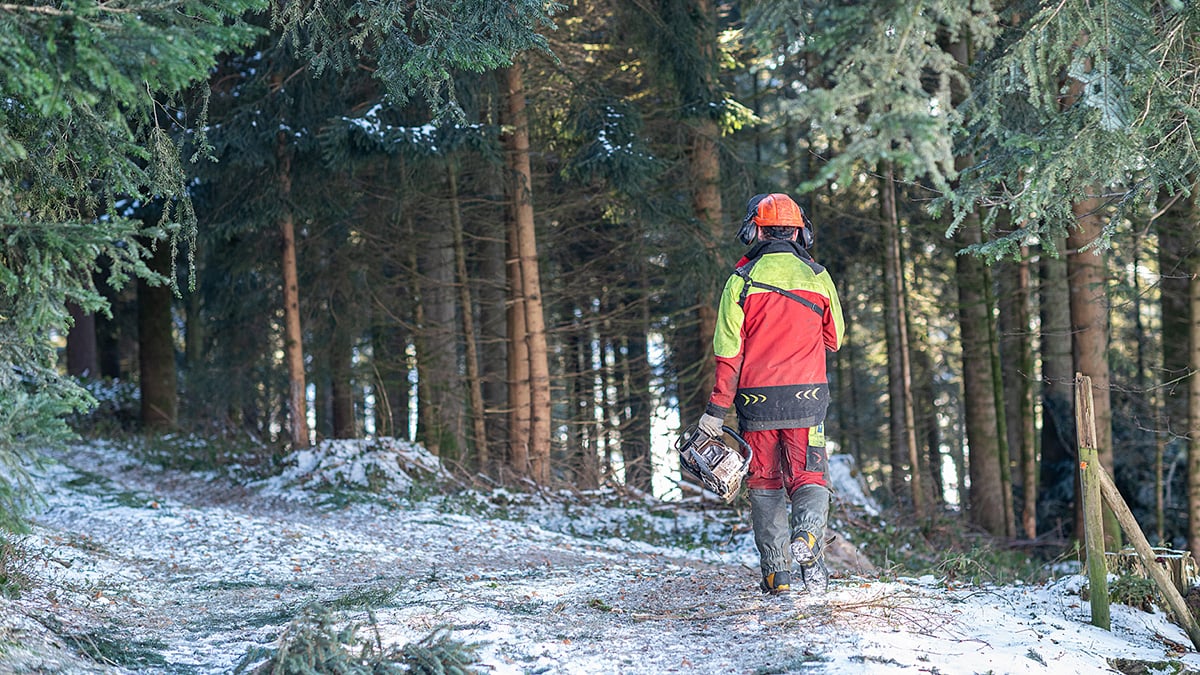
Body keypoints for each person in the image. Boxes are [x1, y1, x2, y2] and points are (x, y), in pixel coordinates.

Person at [696, 193, 844, 595]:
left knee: (764, 482)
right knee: (808, 475)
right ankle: (809, 538)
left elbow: (728, 354)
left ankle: (777, 575)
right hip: (807, 400)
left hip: (756, 402)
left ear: (753, 231)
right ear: (800, 232)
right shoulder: (818, 277)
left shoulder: (739, 282)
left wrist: (715, 411)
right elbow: (835, 338)